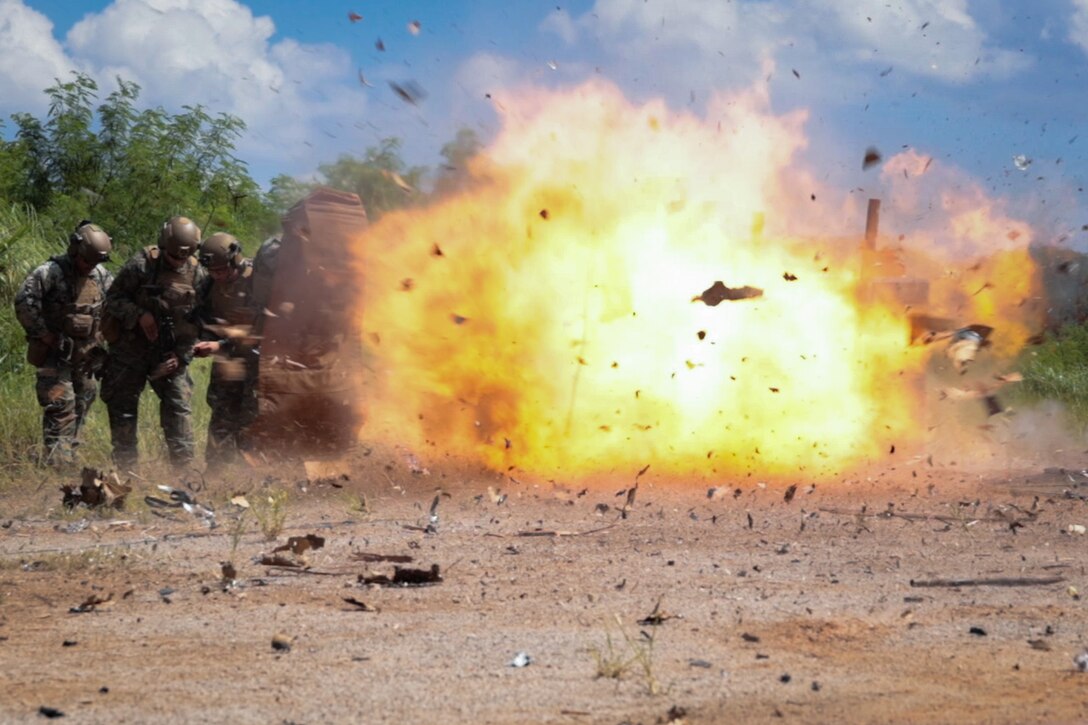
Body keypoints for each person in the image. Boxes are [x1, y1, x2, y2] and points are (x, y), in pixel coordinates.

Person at [100, 216, 208, 469]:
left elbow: (200, 320)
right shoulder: (141, 264)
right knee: (123, 408)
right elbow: (113, 299)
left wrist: (181, 356)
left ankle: (184, 471)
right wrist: (139, 315)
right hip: (130, 350)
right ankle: (127, 471)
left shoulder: (198, 273)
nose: (177, 261)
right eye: (173, 256)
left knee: (178, 407)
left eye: (184, 256)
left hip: (169, 353)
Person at [14, 221, 114, 465]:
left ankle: (70, 452)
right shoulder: (50, 272)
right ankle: (57, 462)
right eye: (86, 261)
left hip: (86, 354)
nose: (89, 267)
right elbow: (24, 302)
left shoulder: (100, 275)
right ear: (74, 251)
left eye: (94, 263)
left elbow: (113, 305)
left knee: (85, 398)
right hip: (54, 353)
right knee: (61, 403)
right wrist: (44, 334)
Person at [192, 232, 258, 467]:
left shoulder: (256, 280)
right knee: (221, 415)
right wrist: (202, 341)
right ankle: (215, 476)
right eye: (213, 271)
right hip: (226, 360)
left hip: (256, 362)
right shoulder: (209, 284)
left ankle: (251, 477)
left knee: (250, 419)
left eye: (222, 270)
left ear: (235, 261)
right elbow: (202, 316)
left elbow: (259, 328)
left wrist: (220, 344)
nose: (217, 276)